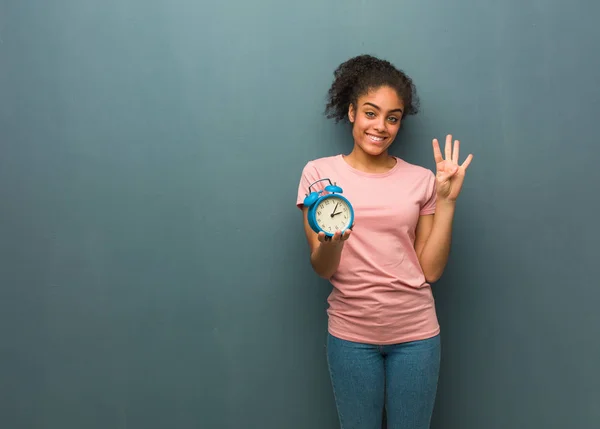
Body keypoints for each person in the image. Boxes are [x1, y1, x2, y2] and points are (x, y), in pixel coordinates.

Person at [295, 54, 473, 429]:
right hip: (351, 336)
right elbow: (322, 267)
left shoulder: (422, 179)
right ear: (351, 112)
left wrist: (447, 201)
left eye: (392, 118)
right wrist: (334, 242)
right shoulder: (319, 174)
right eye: (371, 113)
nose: (381, 126)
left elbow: (431, 270)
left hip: (416, 336)